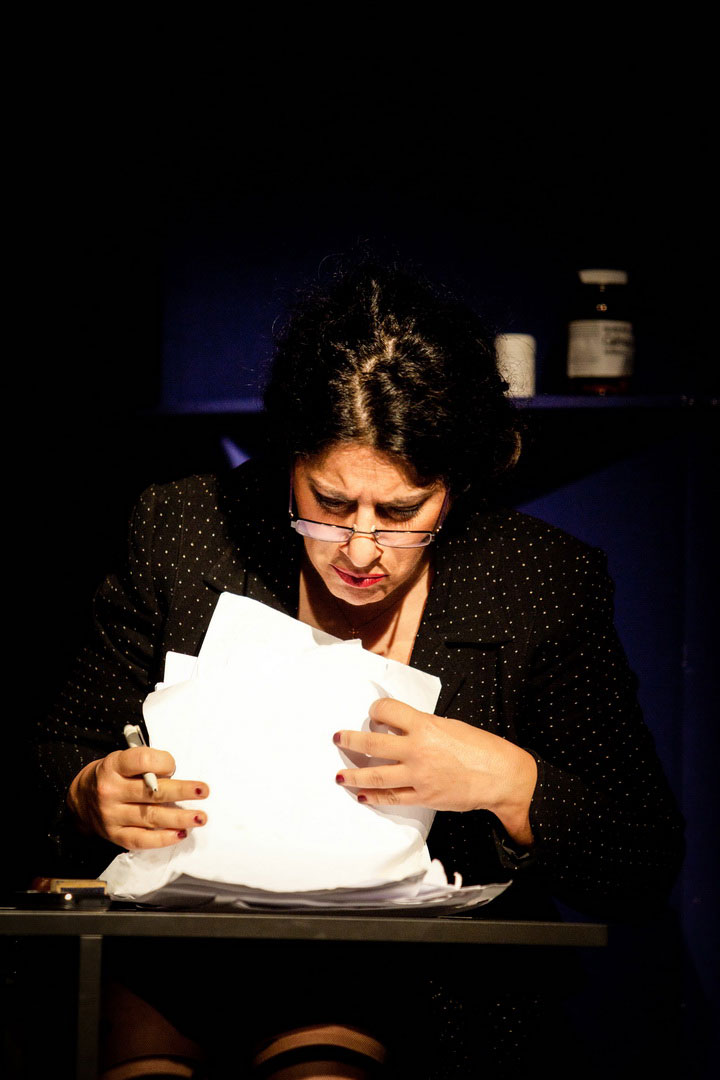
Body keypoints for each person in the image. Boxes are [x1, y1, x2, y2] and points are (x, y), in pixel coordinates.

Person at [36, 261, 684, 1079]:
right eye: (331, 504)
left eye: (402, 512)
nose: (363, 549)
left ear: (454, 487)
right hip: (185, 958)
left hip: (417, 979)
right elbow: (57, 750)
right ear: (289, 463)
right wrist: (88, 791)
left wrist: (509, 781)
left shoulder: (534, 582)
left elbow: (641, 860)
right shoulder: (188, 531)